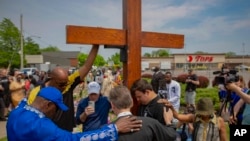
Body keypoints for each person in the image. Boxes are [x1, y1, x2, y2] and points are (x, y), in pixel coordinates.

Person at [7, 87, 143, 141]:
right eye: (57, 108)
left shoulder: (17, 112)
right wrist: (114, 128)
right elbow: (74, 140)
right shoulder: (42, 126)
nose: (56, 113)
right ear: (48, 105)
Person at [27, 44, 100, 131]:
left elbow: (86, 66)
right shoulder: (37, 92)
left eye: (66, 83)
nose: (64, 87)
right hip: (48, 133)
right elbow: (31, 116)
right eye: (61, 84)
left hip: (66, 131)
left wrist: (96, 45)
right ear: (51, 78)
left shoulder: (67, 83)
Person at [109, 85, 176, 141]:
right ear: (132, 102)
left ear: (112, 105)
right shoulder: (151, 124)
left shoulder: (107, 132)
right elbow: (171, 136)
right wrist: (168, 122)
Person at [158, 97, 227, 141]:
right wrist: (171, 107)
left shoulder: (219, 121)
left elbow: (224, 139)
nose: (204, 115)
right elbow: (178, 116)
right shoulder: (194, 118)